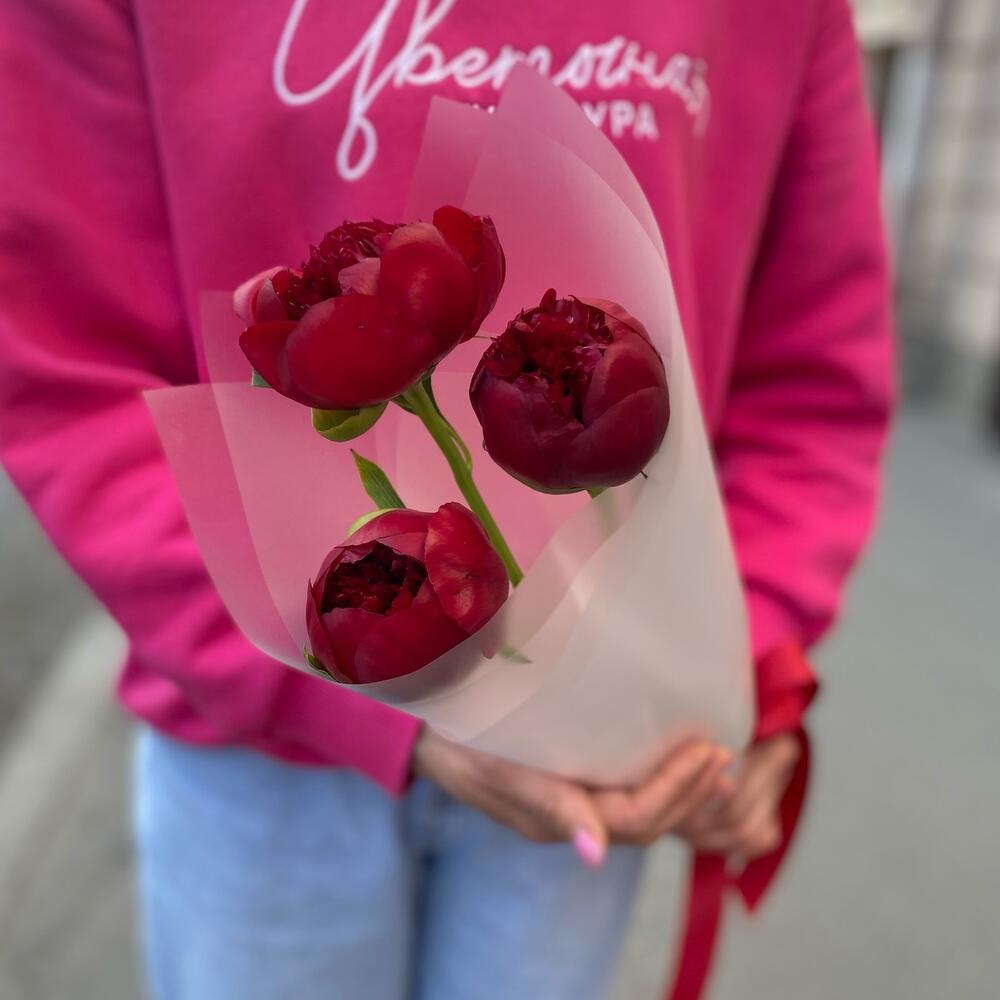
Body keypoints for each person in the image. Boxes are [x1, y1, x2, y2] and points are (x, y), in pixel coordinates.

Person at [0, 1, 892, 998]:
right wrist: (328, 684)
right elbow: (63, 356)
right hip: (267, 755)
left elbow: (812, 370)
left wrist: (732, 661)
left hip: (593, 744)